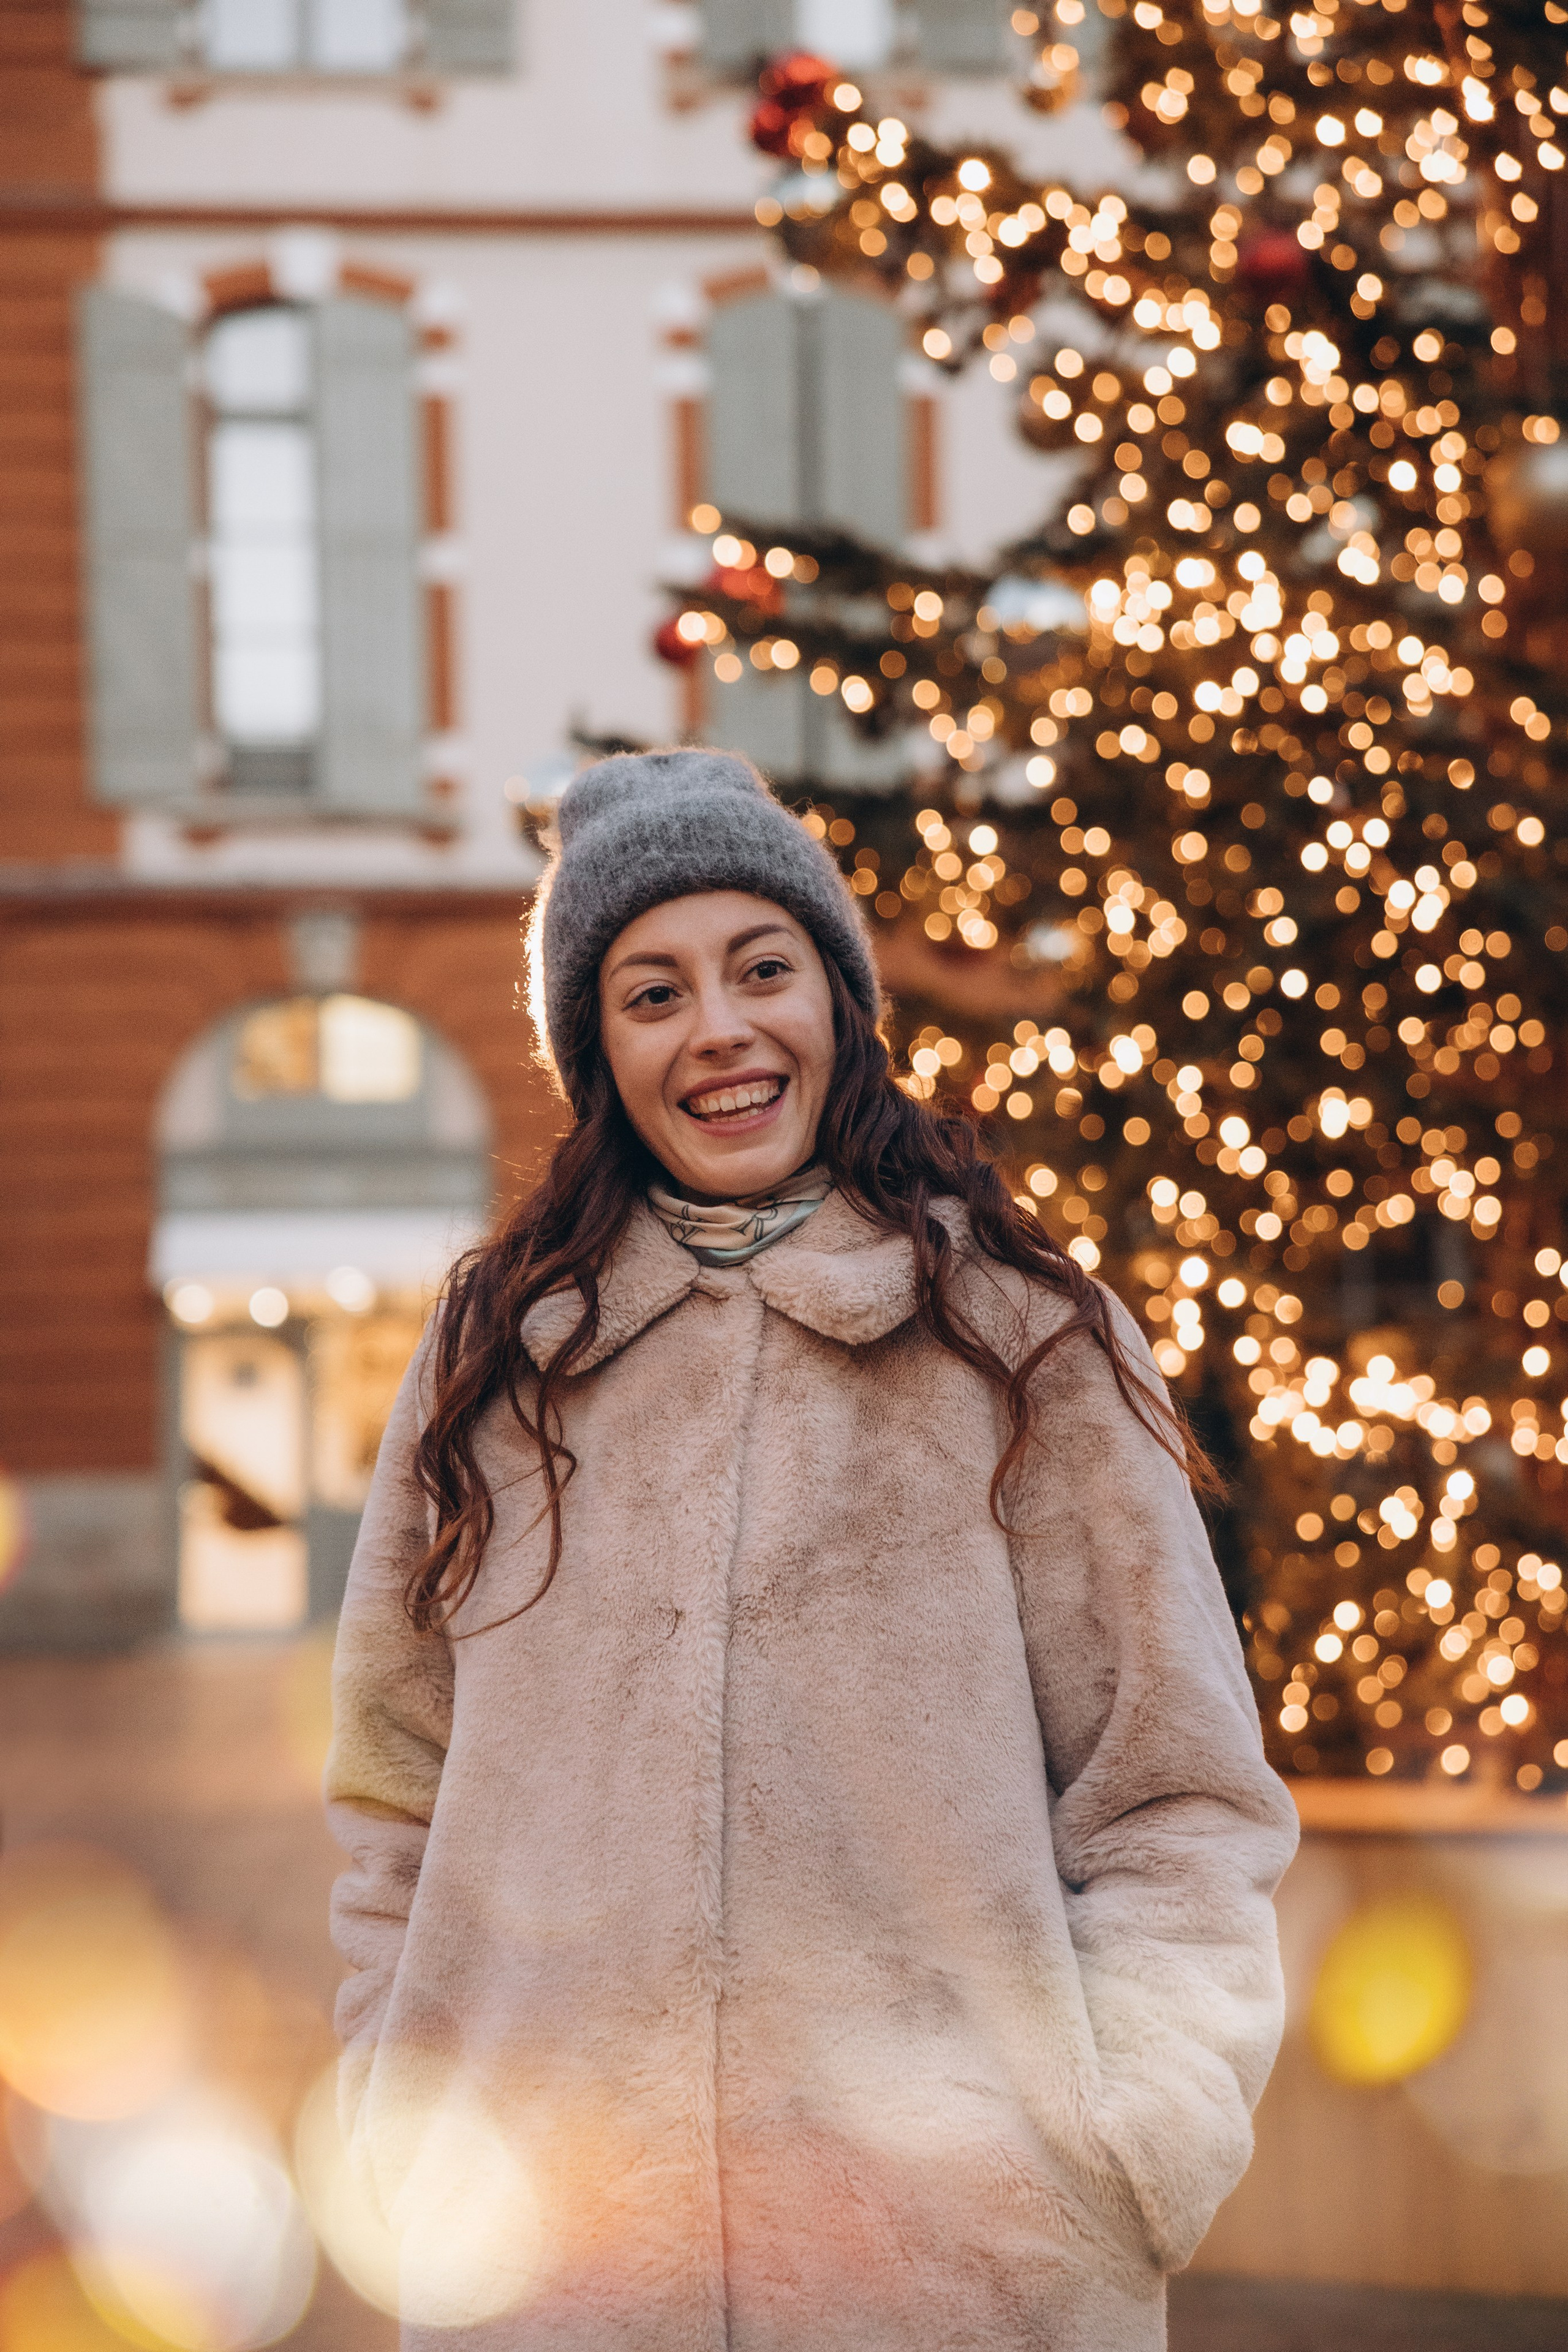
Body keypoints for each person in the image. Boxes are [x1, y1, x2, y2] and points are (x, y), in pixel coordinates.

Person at [326, 749, 1298, 2352]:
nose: (718, 1027)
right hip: (550, 2273)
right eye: (651, 991)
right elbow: (391, 1786)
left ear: (838, 1003)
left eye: (761, 968)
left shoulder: (1019, 1338)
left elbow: (1175, 1792)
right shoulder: (496, 1357)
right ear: (598, 1051)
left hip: (960, 2276)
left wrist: (1136, 2147)